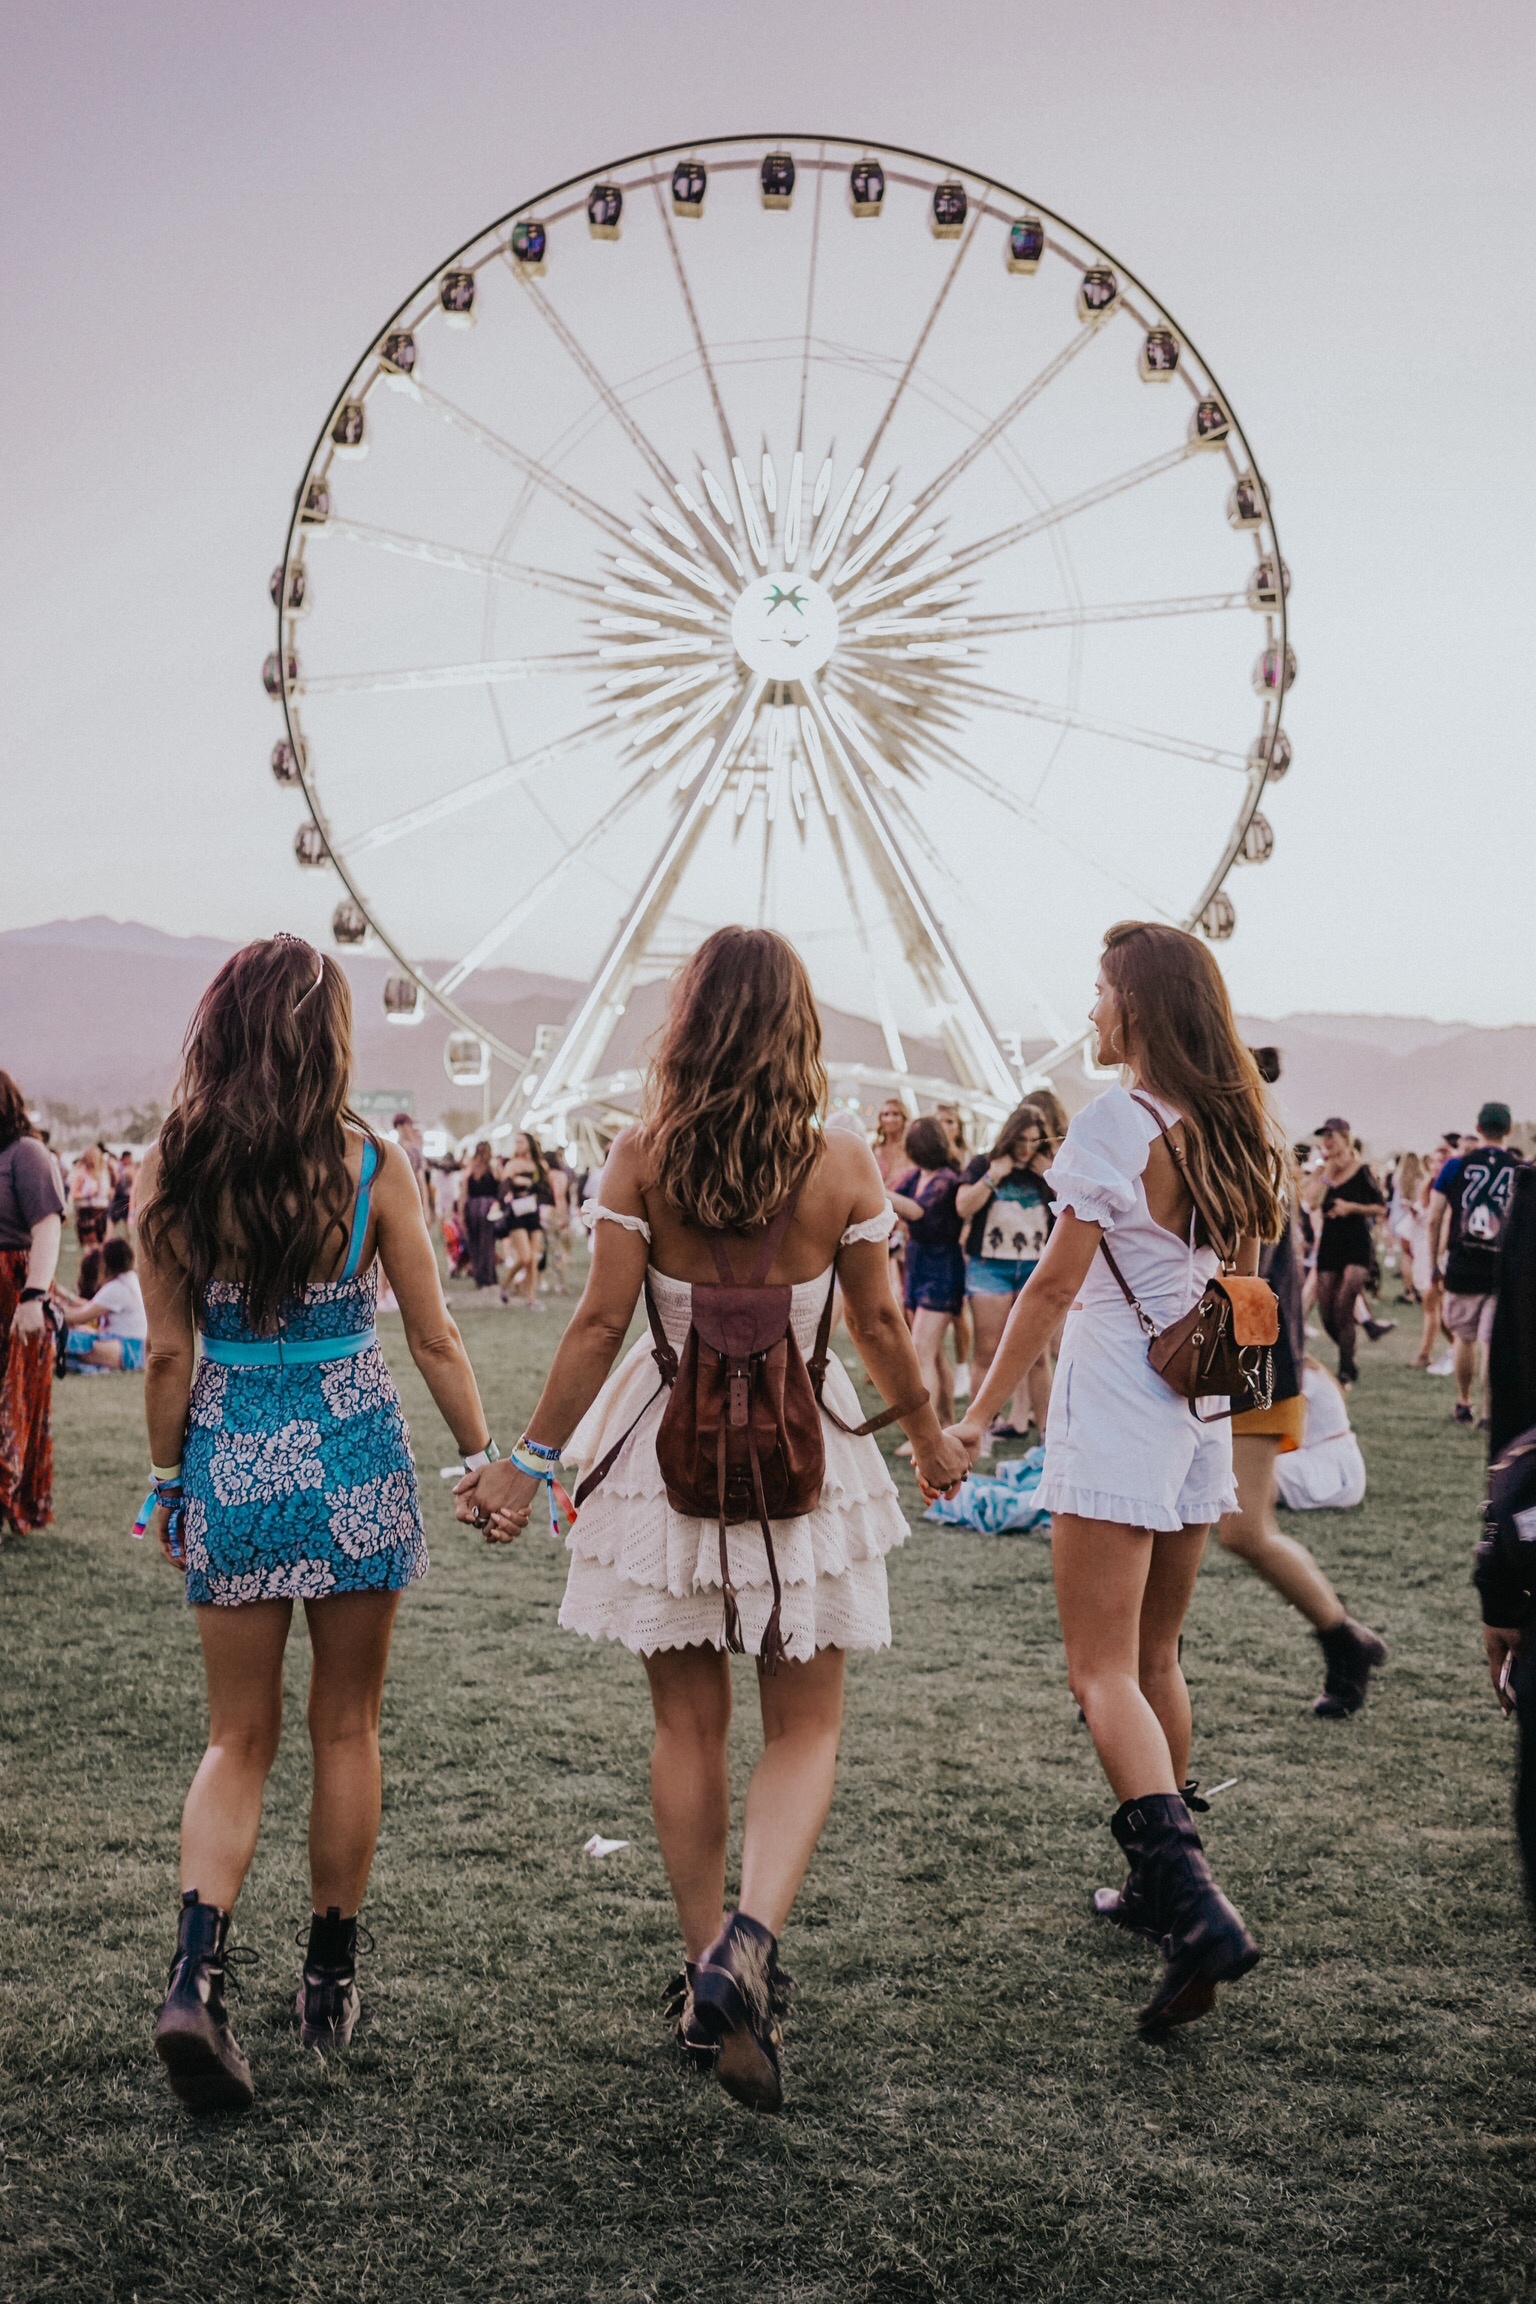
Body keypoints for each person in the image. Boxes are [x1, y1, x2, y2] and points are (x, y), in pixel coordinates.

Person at [455, 927, 968, 2114]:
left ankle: (703, 1976)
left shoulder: (642, 1157)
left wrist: (531, 1467)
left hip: (667, 1443)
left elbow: (597, 1326)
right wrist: (931, 1437)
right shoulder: (841, 1162)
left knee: (686, 1724)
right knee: (805, 1725)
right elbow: (885, 1328)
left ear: (688, 1023)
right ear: (799, 1029)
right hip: (804, 1450)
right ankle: (752, 1944)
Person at [135, 935, 493, 2113]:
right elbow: (434, 1336)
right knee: (348, 1729)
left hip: (232, 1453)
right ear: (326, 1036)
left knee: (237, 1738)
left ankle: (196, 1975)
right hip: (352, 1455)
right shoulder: (375, 1163)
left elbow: (172, 1352)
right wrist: (485, 1459)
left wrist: (167, 1474)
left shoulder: (169, 1170)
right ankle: (328, 1980)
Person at [949, 920, 1285, 2034]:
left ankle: (1192, 1903)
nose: (1088, 1009)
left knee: (1099, 1672)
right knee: (1153, 1657)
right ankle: (1157, 1888)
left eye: (1098, 991)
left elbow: (1051, 1289)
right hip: (1197, 1405)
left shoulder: (1113, 1123)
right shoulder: (1230, 1123)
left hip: (1120, 1402)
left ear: (1136, 1006)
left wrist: (979, 1414)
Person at [1219, 1183, 1385, 1714]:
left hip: (1254, 1366)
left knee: (1244, 1530)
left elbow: (1238, 1269)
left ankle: (1343, 1639)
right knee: (1166, 1523)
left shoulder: (1251, 1158)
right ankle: (1135, 1676)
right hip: (1203, 1361)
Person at [955, 1100, 1055, 1444]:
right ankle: (977, 1433)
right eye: (1022, 1140)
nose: (1027, 1148)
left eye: (1034, 1140)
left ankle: (1046, 1434)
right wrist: (993, 1176)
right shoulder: (985, 1164)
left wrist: (1053, 1177)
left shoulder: (1048, 1169)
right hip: (990, 1268)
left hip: (1034, 1268)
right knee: (987, 1351)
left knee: (1038, 1354)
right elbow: (962, 1206)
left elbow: (1077, 1207)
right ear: (1009, 1137)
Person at [1429, 1102, 1522, 1427]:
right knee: (1491, 1343)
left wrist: (1434, 1262)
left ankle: (1464, 1402)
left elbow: (1435, 1216)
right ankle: (1489, 1413)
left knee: (1464, 1338)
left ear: (1478, 1129)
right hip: (1503, 1268)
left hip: (1464, 1264)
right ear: (1508, 1130)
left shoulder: (1455, 1166)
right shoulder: (1521, 1169)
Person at [0, 1071, 64, 1536]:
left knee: (14, 1402)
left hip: (14, 1291)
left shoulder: (26, 1153)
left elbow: (47, 1226)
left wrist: (34, 1297)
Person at [889, 1116, 966, 1425]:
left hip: (942, 1269)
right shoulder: (916, 1176)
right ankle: (945, 1422)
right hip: (917, 1265)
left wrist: (871, 1188)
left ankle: (929, 1431)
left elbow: (916, 1210)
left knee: (922, 1350)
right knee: (933, 1354)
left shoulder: (946, 1179)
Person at [1304, 1119, 1390, 1388]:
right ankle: (1349, 1359)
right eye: (1324, 1137)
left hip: (1356, 1244)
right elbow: (1310, 1203)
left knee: (1344, 1305)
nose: (1328, 1141)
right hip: (1330, 1243)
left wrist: (1351, 1207)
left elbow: (1380, 1208)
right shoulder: (1323, 1172)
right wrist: (1326, 1173)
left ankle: (1345, 1370)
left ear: (1345, 1138)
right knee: (1328, 1313)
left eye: (1332, 1136)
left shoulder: (1363, 1171)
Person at [56, 1234, 149, 1370]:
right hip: (135, 1348)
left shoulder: (117, 1287)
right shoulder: (129, 1279)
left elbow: (80, 1316)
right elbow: (91, 1307)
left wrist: (51, 1309)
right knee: (81, 1332)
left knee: (65, 1339)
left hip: (127, 1349)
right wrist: (61, 1294)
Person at [499, 1132, 551, 1309]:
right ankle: (505, 1285)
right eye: (516, 1142)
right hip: (517, 1212)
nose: (518, 1145)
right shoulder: (512, 1165)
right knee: (524, 1256)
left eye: (521, 1141)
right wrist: (514, 1181)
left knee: (533, 1260)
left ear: (529, 1143)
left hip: (533, 1211)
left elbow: (546, 1189)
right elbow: (503, 1189)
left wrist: (529, 1184)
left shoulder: (539, 1165)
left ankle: (531, 1298)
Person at [870, 1097, 911, 1303]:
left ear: (904, 1118)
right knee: (878, 1276)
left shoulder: (912, 1150)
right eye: (885, 1114)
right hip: (879, 1216)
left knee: (905, 1279)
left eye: (895, 1114)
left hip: (905, 1218)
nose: (890, 1119)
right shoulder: (874, 1148)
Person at [459, 1142, 501, 1290]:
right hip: (483, 1210)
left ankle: (484, 1277)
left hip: (478, 1210)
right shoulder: (489, 1168)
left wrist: (461, 1213)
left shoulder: (476, 1169)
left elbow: (463, 1195)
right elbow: (463, 1193)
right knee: (484, 1244)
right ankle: (486, 1277)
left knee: (480, 1244)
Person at [69, 1143, 111, 1252]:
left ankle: (99, 1266)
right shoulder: (81, 1173)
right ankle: (90, 1266)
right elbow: (73, 1194)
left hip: (101, 1210)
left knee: (101, 1243)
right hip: (87, 1211)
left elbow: (107, 1191)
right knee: (90, 1246)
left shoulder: (103, 1172)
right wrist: (87, 1195)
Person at [109, 1149, 137, 1237]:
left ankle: (128, 1243)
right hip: (119, 1198)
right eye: (129, 1158)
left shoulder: (130, 1168)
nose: (130, 1160)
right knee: (113, 1222)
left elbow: (134, 1184)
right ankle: (109, 1239)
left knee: (128, 1224)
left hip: (127, 1198)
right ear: (125, 1158)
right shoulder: (119, 1167)